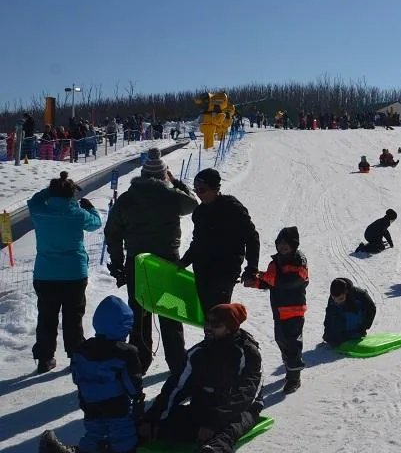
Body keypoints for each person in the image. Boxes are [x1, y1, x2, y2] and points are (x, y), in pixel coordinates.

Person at [40, 303, 263, 453]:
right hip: (203, 406)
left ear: (231, 327)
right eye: (207, 323)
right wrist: (153, 418)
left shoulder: (248, 352)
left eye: (216, 325)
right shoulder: (200, 352)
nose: (208, 329)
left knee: (223, 436)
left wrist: (213, 423)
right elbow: (176, 387)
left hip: (238, 410)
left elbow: (248, 393)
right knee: (137, 429)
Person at [105, 147, 198, 375]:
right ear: (164, 175)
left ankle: (139, 362)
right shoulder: (171, 196)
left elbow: (113, 233)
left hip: (137, 264)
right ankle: (177, 363)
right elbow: (193, 204)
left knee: (139, 315)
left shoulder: (126, 199)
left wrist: (117, 262)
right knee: (170, 315)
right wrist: (176, 184)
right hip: (167, 263)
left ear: (144, 175)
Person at [28, 171, 103, 373]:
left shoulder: (40, 212)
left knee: (46, 316)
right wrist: (91, 208)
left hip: (45, 274)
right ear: (72, 195)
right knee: (73, 317)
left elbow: (33, 200)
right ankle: (76, 356)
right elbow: (96, 223)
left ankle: (45, 358)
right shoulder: (77, 214)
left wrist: (52, 189)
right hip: (74, 274)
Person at [69, 295, 146, 453]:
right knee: (123, 432)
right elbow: (130, 380)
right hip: (115, 401)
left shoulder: (82, 349)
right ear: (123, 326)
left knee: (94, 430)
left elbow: (77, 376)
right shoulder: (126, 351)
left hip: (90, 400)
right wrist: (137, 397)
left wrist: (84, 396)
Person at [179, 168, 261, 315]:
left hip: (225, 270)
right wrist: (184, 261)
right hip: (203, 269)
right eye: (196, 190)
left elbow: (252, 237)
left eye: (202, 190)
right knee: (208, 316)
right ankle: (211, 338)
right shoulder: (200, 212)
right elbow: (197, 241)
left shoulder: (232, 208)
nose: (198, 194)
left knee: (219, 315)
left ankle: (227, 338)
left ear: (215, 189)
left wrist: (251, 268)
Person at [243, 227, 308, 394]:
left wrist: (263, 275)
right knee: (282, 341)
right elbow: (271, 283)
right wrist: (255, 282)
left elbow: (289, 282)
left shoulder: (298, 261)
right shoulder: (276, 262)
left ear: (293, 245)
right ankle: (291, 370)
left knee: (292, 344)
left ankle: (294, 378)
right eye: (279, 244)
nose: (282, 248)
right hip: (279, 310)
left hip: (293, 310)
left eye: (285, 245)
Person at [323, 278, 376, 346]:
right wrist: (327, 332)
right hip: (344, 315)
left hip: (356, 316)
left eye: (341, 298)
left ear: (346, 292)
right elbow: (329, 314)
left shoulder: (360, 294)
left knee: (350, 314)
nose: (337, 301)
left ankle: (355, 333)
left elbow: (372, 309)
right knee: (334, 311)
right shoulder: (334, 297)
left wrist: (364, 326)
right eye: (334, 298)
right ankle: (342, 334)